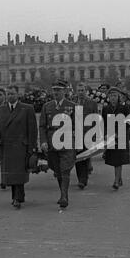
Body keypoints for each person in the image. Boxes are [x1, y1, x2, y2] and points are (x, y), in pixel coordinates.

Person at [0, 85, 38, 209]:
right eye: (8, 94)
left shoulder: (27, 109)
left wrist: (32, 148)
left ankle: (16, 198)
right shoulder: (0, 110)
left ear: (18, 95)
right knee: (11, 175)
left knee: (19, 174)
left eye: (12, 94)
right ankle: (18, 196)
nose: (10, 96)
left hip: (21, 147)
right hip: (6, 147)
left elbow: (32, 130)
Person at [39, 80, 76, 209]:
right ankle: (63, 193)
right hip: (51, 142)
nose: (56, 92)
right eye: (54, 90)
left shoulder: (72, 106)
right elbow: (42, 126)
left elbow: (78, 126)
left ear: (65, 91)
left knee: (65, 169)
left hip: (67, 142)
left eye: (59, 90)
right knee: (57, 169)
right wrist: (43, 141)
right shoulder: (47, 106)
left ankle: (64, 196)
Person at [102, 87, 130, 190]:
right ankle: (119, 178)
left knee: (119, 159)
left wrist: (120, 133)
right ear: (108, 97)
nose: (113, 98)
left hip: (121, 136)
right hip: (110, 137)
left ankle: (116, 181)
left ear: (118, 97)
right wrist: (105, 134)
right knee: (114, 160)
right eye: (111, 96)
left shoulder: (124, 108)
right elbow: (103, 123)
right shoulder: (106, 109)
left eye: (115, 95)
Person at [73, 82, 98, 190]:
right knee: (78, 158)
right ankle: (81, 179)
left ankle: (84, 179)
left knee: (86, 156)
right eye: (79, 90)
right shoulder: (72, 103)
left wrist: (95, 135)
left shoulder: (92, 103)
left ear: (86, 91)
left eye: (82, 90)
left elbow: (96, 119)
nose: (81, 92)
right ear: (76, 91)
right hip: (76, 134)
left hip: (88, 133)